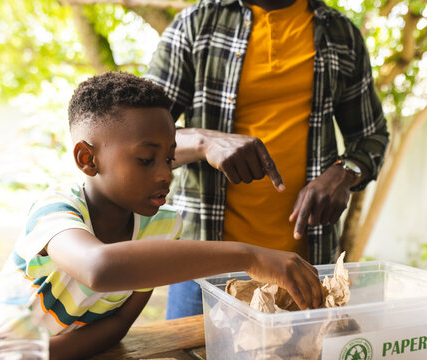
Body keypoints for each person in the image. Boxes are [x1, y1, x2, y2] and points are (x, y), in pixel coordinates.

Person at [0, 72, 323, 360]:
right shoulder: (55, 212)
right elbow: (99, 268)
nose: (165, 174)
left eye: (169, 158)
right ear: (87, 159)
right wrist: (250, 255)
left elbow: (118, 325)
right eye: (146, 160)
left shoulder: (162, 227)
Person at [146, 0, 389, 319]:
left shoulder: (340, 34)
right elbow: (141, 141)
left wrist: (345, 173)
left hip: (304, 274)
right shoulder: (195, 24)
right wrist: (205, 142)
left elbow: (372, 136)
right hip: (202, 272)